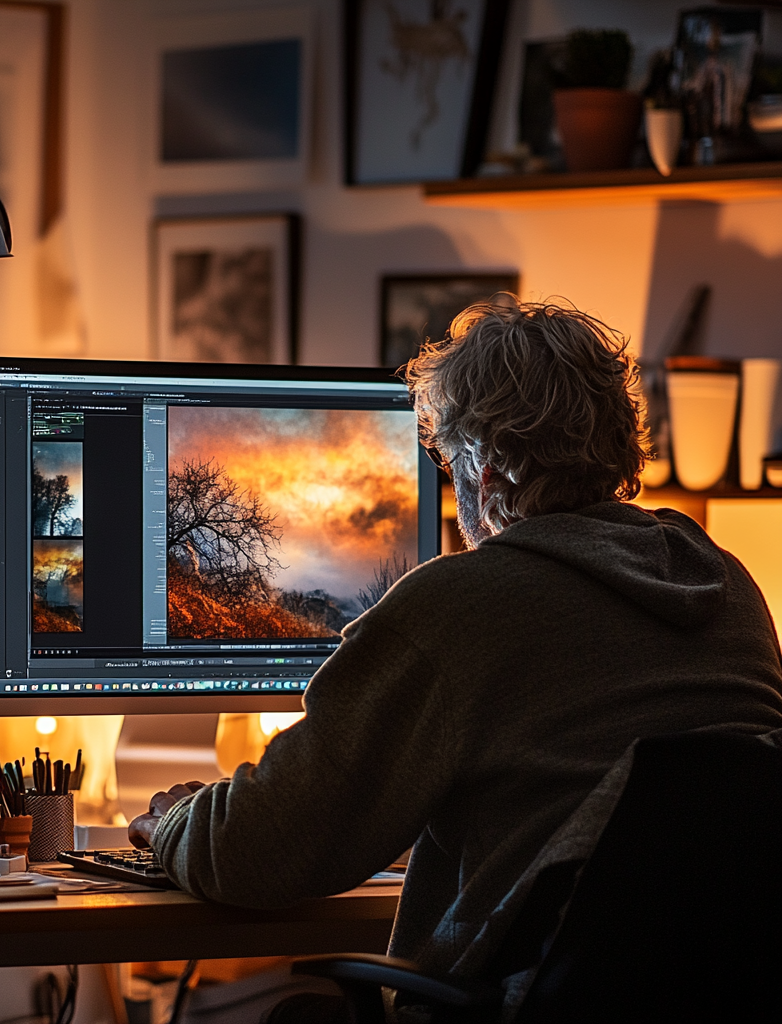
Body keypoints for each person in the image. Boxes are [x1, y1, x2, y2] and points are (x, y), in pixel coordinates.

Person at [128, 299, 782, 987]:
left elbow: (258, 851)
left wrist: (174, 820)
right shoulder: (726, 585)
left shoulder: (460, 606)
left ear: (486, 474)